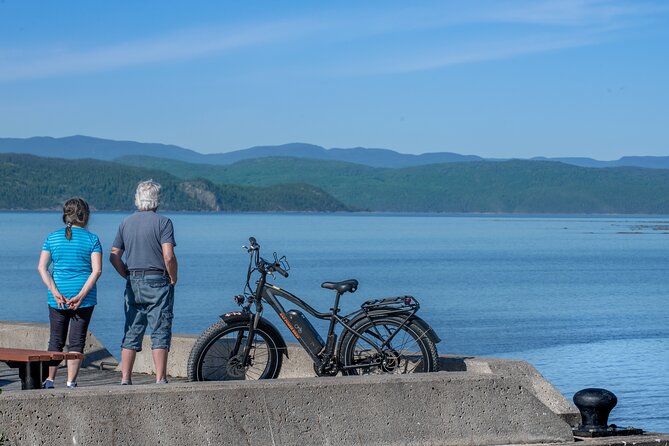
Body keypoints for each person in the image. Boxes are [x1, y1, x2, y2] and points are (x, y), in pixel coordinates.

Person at [109, 180, 177, 385]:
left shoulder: (125, 223)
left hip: (133, 280)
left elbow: (113, 256)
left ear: (138, 199)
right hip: (158, 280)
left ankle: (125, 378)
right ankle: (160, 379)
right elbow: (168, 256)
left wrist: (127, 275)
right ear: (157, 200)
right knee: (160, 330)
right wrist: (173, 276)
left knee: (131, 330)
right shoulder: (163, 222)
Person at [37, 197, 102, 389]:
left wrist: (55, 292)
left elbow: (42, 267)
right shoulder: (92, 239)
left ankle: (49, 380)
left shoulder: (52, 237)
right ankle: (71, 382)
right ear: (86, 216)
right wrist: (81, 295)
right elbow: (96, 270)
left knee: (55, 339)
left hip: (57, 298)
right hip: (85, 298)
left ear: (66, 215)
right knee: (77, 341)